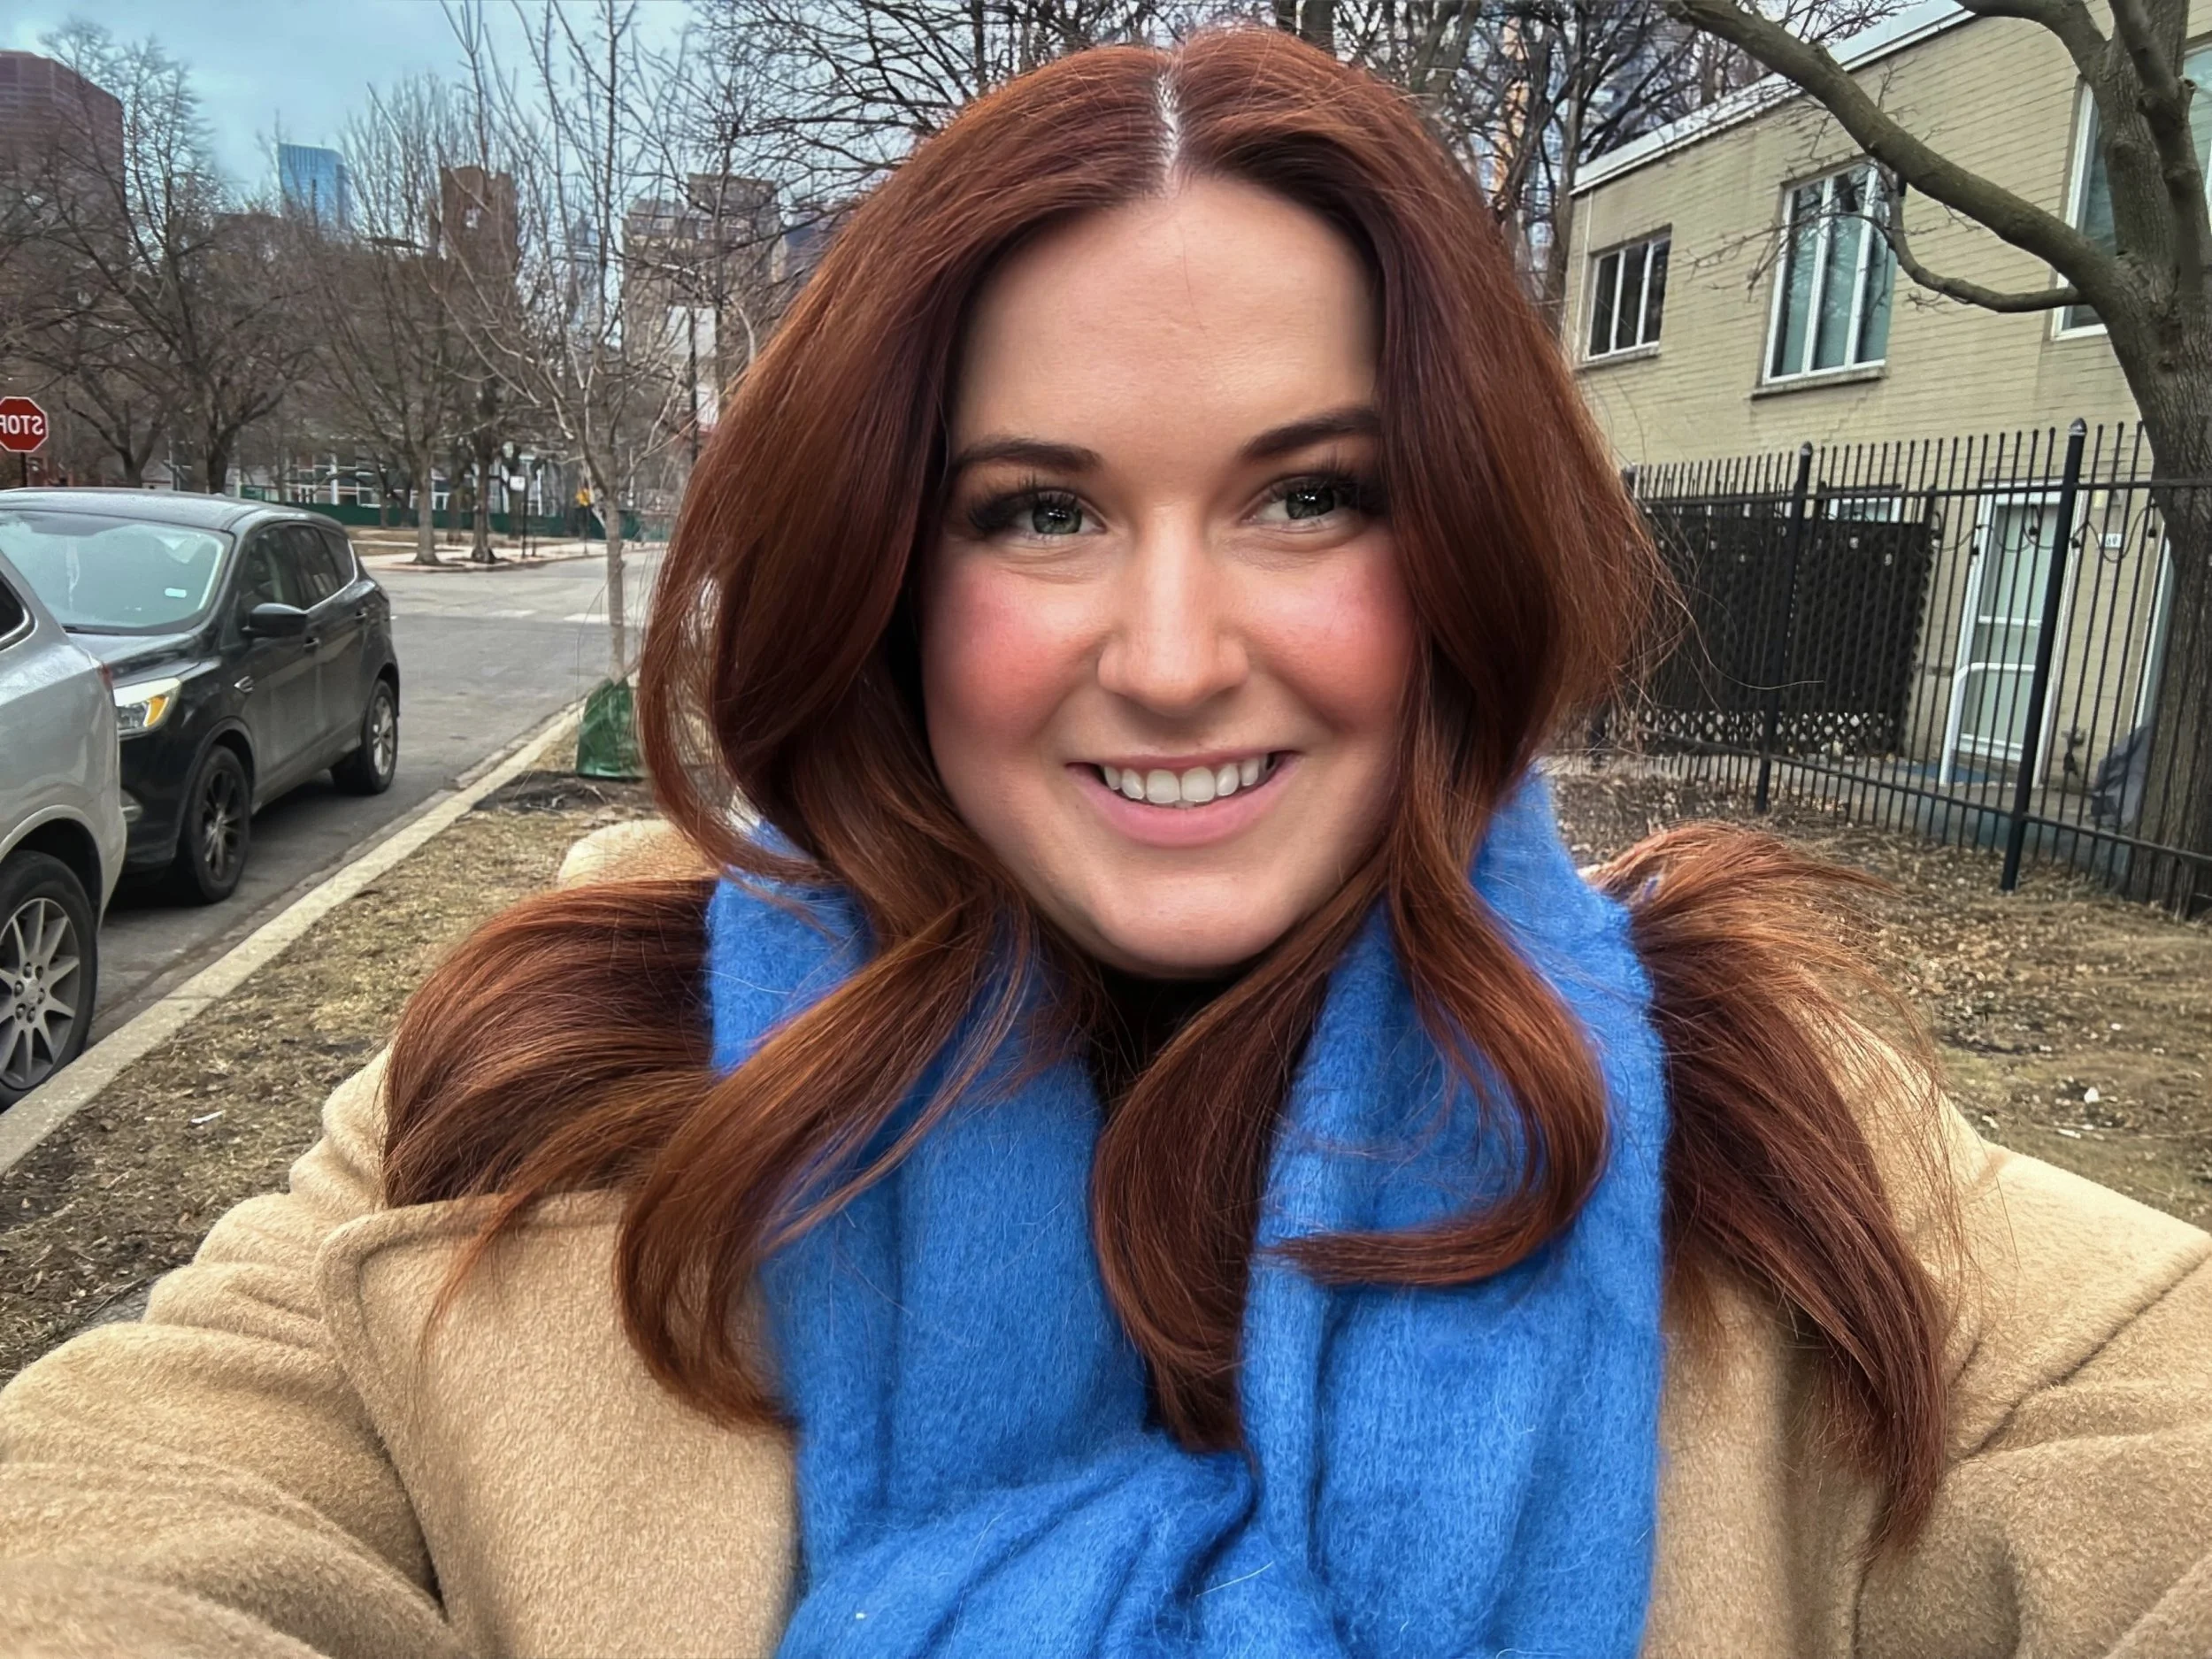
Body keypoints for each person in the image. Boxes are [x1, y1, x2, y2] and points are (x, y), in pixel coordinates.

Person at [4, 29, 2210, 1659]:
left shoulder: (1741, 1119)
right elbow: (114, 1517)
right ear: (892, 568)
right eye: (1040, 510)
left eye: (1305, 494)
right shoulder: (559, 1075)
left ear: (1452, 546)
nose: (1169, 657)